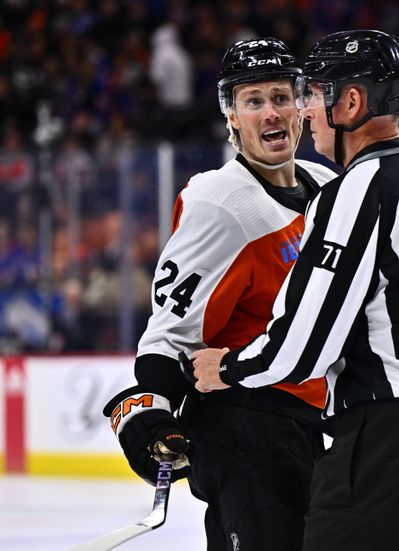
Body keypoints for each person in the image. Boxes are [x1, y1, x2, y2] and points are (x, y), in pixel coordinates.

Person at [191, 30, 399, 551]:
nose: (306, 110)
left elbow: (304, 345)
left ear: (351, 102)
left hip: (396, 436)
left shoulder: (355, 191)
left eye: (314, 93)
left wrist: (223, 368)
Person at [101, 38, 337, 550]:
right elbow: (170, 328)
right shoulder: (221, 202)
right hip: (246, 428)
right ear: (230, 115)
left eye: (281, 96)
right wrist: (149, 408)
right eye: (254, 101)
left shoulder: (326, 185)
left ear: (301, 104)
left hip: (308, 423)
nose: (270, 112)